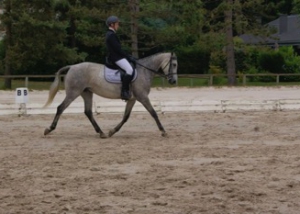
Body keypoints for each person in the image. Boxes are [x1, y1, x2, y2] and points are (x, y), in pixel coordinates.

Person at [105, 15, 136, 101]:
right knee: (129, 70)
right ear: (112, 24)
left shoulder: (111, 34)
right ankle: (124, 91)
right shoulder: (111, 35)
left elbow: (119, 49)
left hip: (117, 56)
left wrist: (128, 56)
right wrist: (128, 57)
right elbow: (118, 49)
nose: (118, 25)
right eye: (117, 24)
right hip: (116, 58)